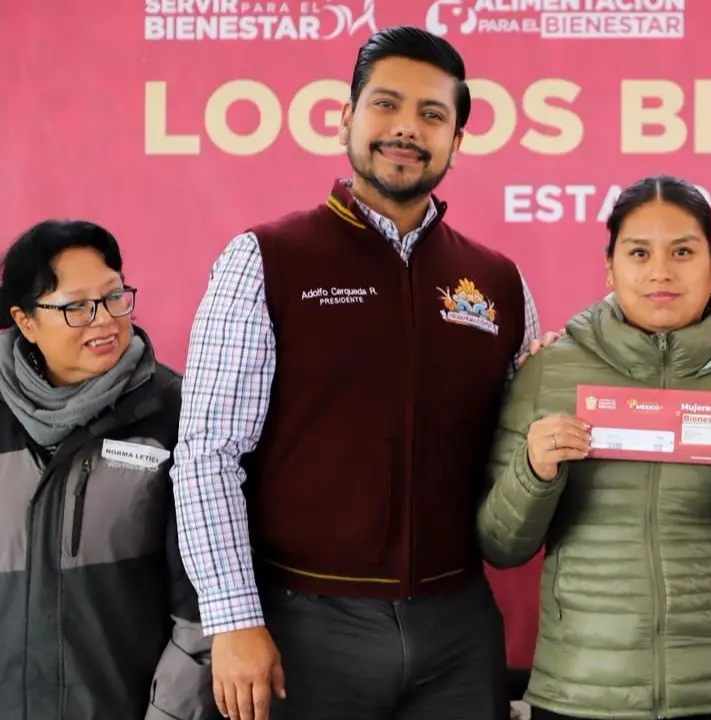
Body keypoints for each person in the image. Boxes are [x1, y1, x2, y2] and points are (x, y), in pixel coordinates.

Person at [171, 27, 542, 720]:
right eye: (386, 106)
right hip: (302, 625)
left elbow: (522, 453)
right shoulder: (265, 260)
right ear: (345, 117)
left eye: (433, 115)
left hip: (458, 625)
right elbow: (207, 456)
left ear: (457, 140)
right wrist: (233, 620)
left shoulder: (499, 283)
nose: (407, 129)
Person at [479, 174, 711, 720]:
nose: (660, 271)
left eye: (683, 252)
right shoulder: (549, 372)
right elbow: (501, 546)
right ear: (610, 265)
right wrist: (532, 472)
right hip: (582, 692)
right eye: (638, 252)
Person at [0, 220, 214, 719]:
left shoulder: (178, 415)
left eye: (115, 296)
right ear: (25, 321)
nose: (104, 320)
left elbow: (202, 610)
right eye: (76, 306)